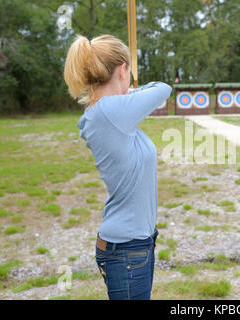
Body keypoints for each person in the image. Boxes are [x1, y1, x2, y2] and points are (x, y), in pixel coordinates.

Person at [63, 34, 172, 300]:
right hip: (127, 248)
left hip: (131, 244)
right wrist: (127, 90)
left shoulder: (103, 113)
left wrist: (122, 89)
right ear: (122, 69)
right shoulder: (110, 112)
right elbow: (162, 88)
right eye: (128, 71)